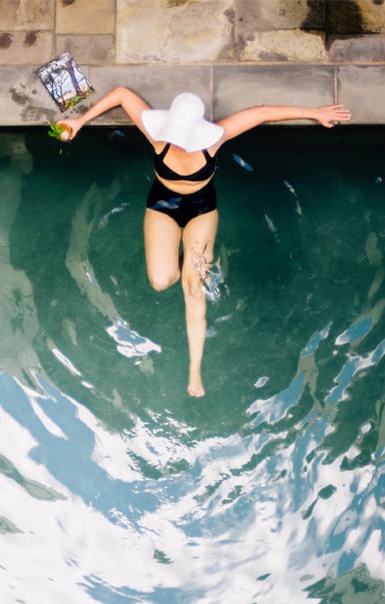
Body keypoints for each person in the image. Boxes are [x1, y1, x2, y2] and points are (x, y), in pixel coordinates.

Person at [59, 87, 351, 397]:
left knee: (194, 289)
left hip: (200, 208)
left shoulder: (216, 138)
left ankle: (194, 369)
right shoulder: (156, 135)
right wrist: (80, 121)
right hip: (163, 205)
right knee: (161, 280)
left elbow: (263, 113)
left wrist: (315, 113)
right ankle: (194, 259)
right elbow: (120, 94)